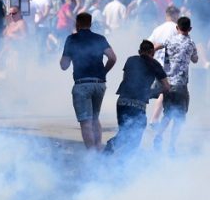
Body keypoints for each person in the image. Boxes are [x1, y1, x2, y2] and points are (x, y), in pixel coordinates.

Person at [60, 12, 117, 150]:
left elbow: (64, 65)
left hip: (82, 84)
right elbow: (112, 58)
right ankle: (98, 148)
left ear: (77, 24)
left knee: (86, 121)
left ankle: (92, 156)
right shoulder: (100, 38)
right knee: (95, 118)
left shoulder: (71, 39)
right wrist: (103, 72)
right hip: (99, 84)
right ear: (90, 24)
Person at [104, 40, 169, 155]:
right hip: (138, 105)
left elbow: (126, 80)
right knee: (134, 139)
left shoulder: (130, 60)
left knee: (124, 133)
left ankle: (108, 153)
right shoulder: (155, 64)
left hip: (122, 102)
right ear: (152, 52)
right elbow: (166, 87)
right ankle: (123, 165)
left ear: (139, 51)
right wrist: (152, 93)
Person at [153, 17, 198, 153]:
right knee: (180, 117)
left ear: (177, 28)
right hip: (181, 85)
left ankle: (158, 135)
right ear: (190, 29)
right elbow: (195, 60)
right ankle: (172, 145)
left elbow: (155, 47)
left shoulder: (170, 40)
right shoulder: (191, 43)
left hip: (167, 83)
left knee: (167, 114)